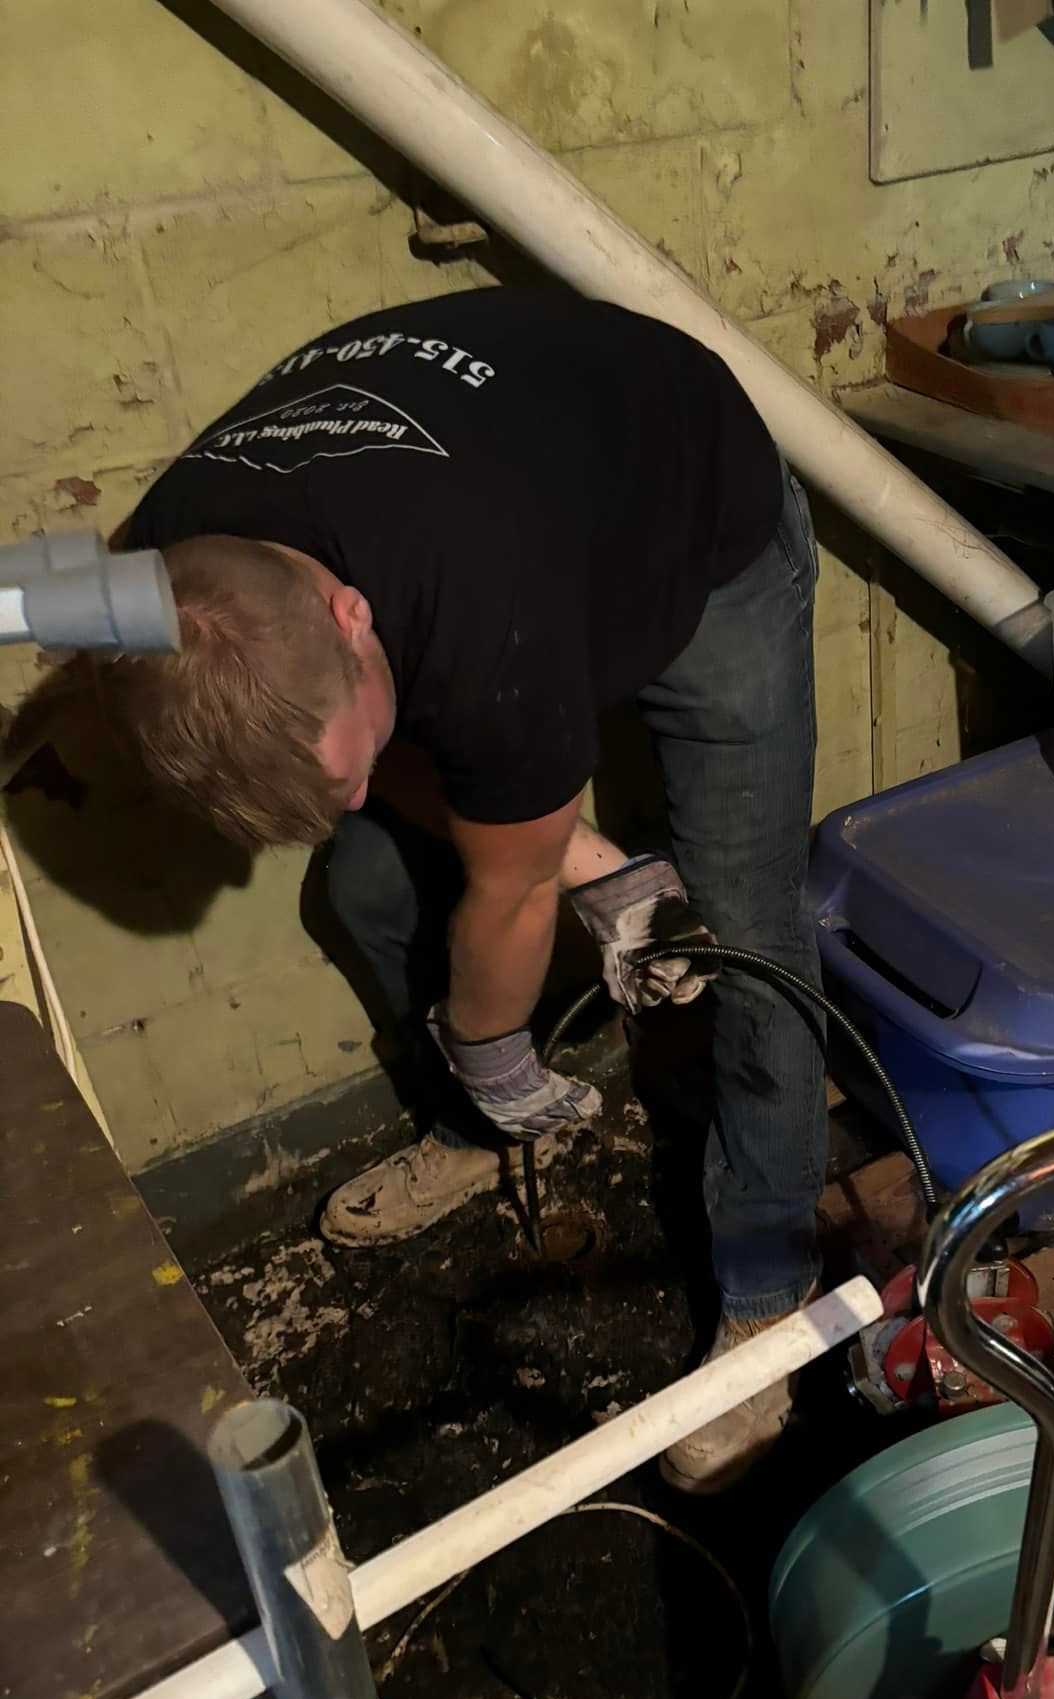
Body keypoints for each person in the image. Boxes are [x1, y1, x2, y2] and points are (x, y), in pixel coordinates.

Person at [14, 286, 826, 1492]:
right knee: (367, 884)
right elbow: (19, 592)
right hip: (522, 512)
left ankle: (771, 1293)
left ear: (353, 618)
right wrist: (579, 861)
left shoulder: (481, 615)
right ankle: (470, 1132)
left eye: (351, 767)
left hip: (699, 524)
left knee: (747, 933)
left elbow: (504, 897)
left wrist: (500, 1040)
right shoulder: (154, 579)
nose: (353, 797)